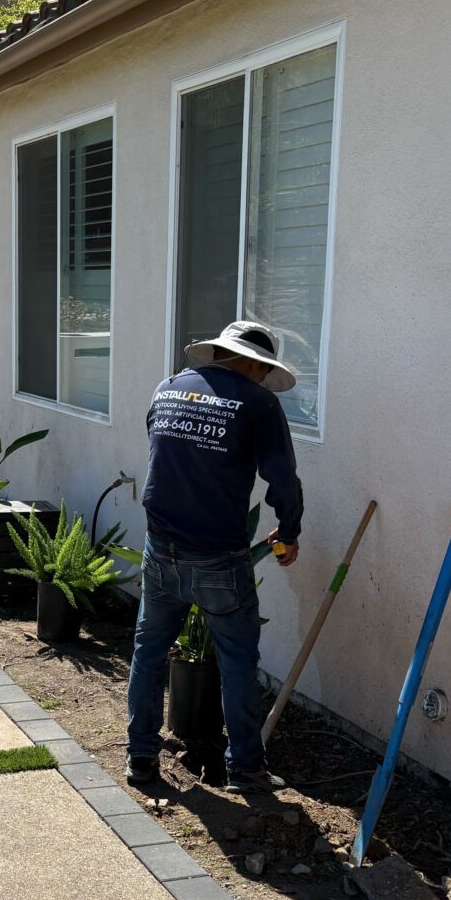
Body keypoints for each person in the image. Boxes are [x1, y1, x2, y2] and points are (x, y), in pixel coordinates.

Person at [126, 319, 303, 794]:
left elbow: (161, 455)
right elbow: (282, 479)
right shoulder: (258, 403)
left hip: (160, 547)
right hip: (219, 556)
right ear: (251, 361)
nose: (265, 380)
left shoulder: (167, 389)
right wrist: (289, 531)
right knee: (237, 662)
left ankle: (141, 758)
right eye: (264, 370)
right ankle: (244, 768)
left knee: (149, 653)